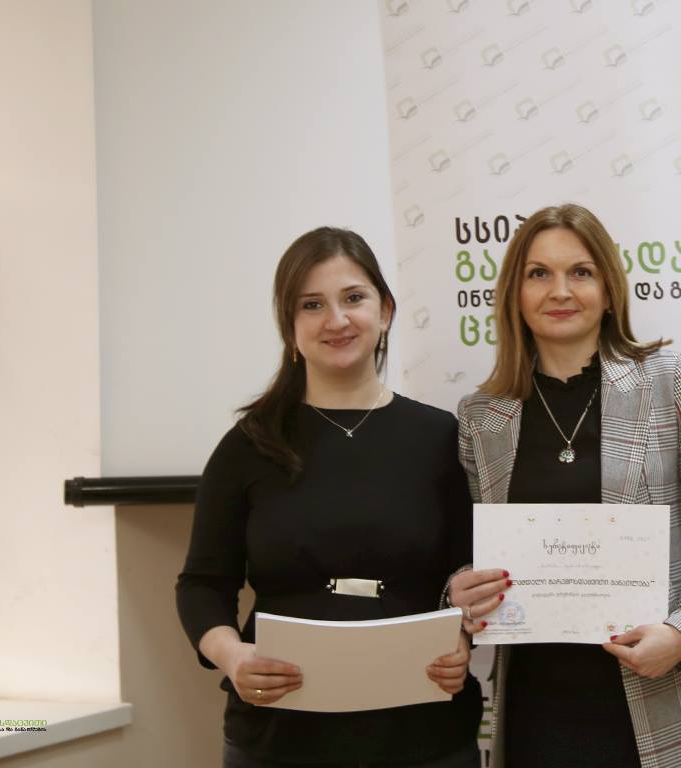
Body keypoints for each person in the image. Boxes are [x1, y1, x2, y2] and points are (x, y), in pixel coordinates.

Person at [447, 204, 681, 768]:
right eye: (539, 273)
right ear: (514, 294)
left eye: (580, 272)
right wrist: (462, 592)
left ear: (607, 289)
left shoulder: (673, 381)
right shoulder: (482, 417)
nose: (560, 290)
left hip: (667, 700)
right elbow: (476, 555)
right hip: (537, 710)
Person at [176, 227, 482, 768]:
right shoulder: (249, 445)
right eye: (312, 304)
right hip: (279, 738)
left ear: (385, 311)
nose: (336, 320)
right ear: (290, 326)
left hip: (424, 735)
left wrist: (463, 640)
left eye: (353, 298)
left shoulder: (442, 438)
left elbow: (471, 575)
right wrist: (233, 656)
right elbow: (203, 584)